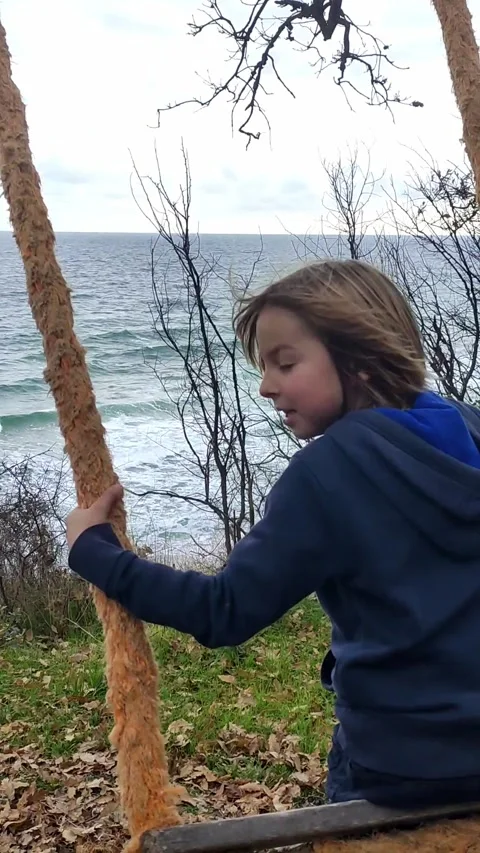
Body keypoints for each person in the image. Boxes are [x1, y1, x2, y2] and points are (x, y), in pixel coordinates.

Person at [66, 259, 480, 809]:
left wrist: (93, 550)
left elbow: (224, 610)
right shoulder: (471, 427)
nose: (265, 387)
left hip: (401, 767)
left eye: (285, 364)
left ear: (359, 358)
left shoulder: (330, 473)